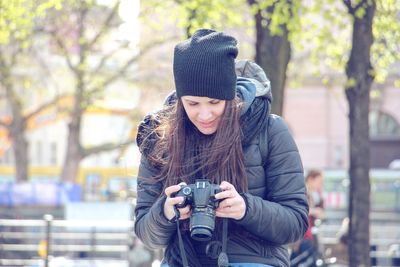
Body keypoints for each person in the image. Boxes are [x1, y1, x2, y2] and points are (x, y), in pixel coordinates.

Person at [134, 28, 309, 267]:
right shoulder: (161, 138)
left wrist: (245, 208)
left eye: (214, 102)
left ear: (229, 95)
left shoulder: (270, 130)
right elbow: (146, 233)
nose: (204, 114)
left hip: (254, 260)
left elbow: (296, 223)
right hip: (183, 260)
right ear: (180, 99)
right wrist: (165, 212)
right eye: (192, 103)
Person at [290, 170, 325, 266]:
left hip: (309, 236)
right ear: (310, 179)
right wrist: (314, 211)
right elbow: (299, 209)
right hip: (302, 237)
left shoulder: (314, 195)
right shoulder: (302, 192)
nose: (320, 185)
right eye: (319, 181)